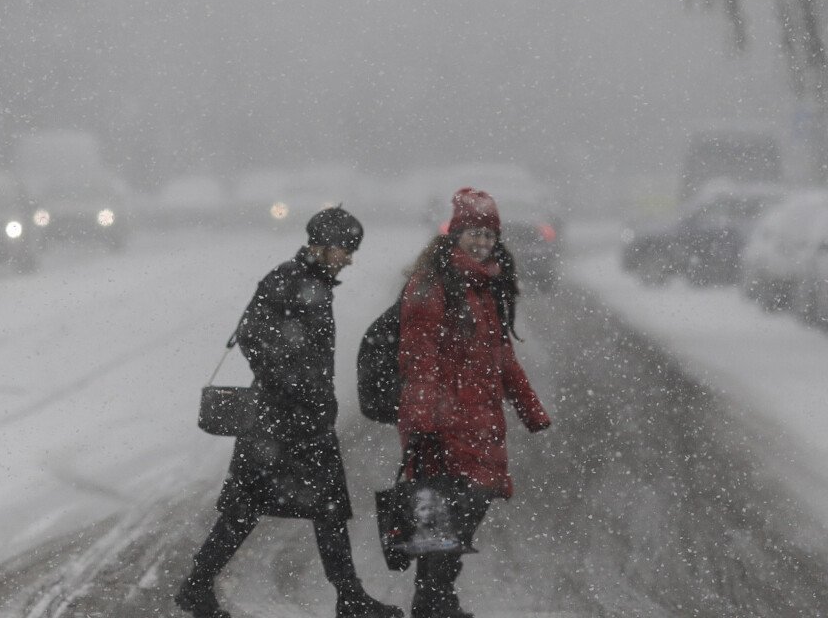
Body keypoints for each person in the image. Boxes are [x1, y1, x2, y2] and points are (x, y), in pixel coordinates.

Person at [176, 207, 403, 618]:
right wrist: (294, 385)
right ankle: (196, 586)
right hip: (277, 422)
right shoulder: (287, 279)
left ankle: (348, 596)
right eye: (345, 249)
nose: (350, 258)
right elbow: (251, 336)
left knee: (326, 509)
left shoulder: (312, 282)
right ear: (322, 244)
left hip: (304, 419)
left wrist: (310, 395)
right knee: (250, 510)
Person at [397, 187, 551, 618]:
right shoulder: (430, 285)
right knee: (442, 518)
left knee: (467, 509)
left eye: (489, 234)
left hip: (479, 420)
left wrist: (530, 409)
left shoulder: (487, 287)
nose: (482, 242)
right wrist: (424, 418)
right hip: (439, 422)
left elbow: (503, 358)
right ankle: (433, 601)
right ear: (454, 233)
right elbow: (419, 357)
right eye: (474, 233)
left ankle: (435, 598)